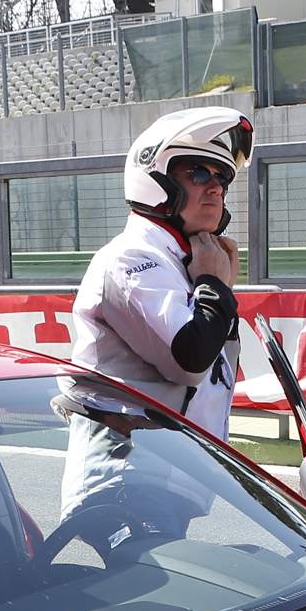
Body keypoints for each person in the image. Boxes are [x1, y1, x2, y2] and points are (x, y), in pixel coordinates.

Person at [61, 105, 253, 528]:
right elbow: (190, 358)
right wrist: (215, 285)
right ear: (156, 180)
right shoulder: (131, 257)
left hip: (166, 476)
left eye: (222, 178)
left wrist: (213, 283)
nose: (215, 187)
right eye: (198, 173)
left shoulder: (183, 262)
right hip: (126, 482)